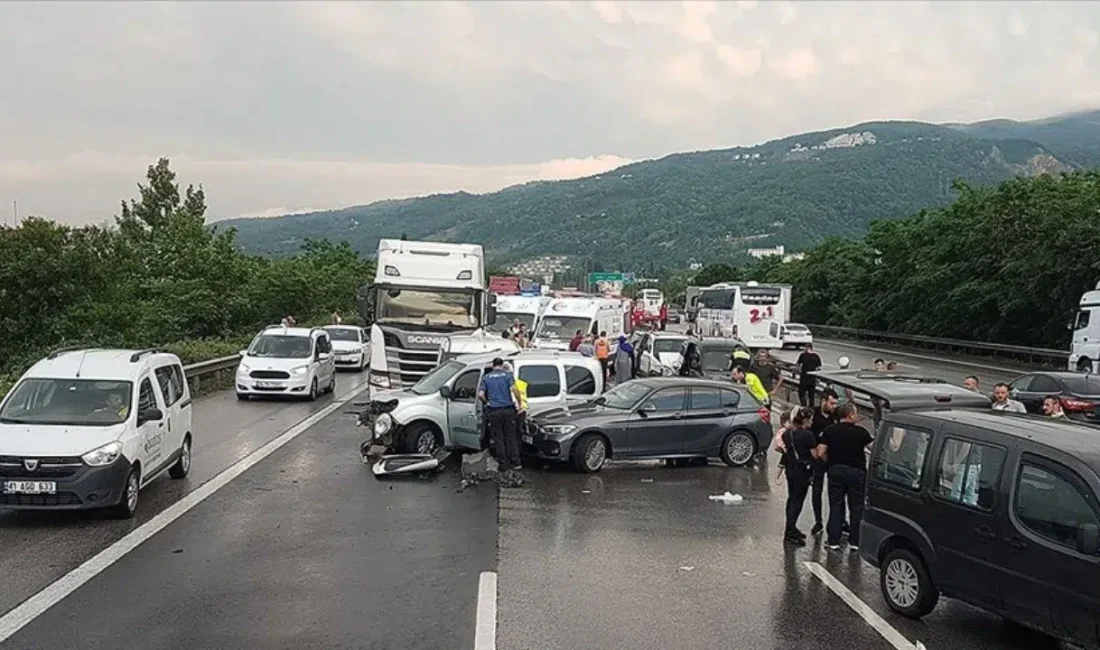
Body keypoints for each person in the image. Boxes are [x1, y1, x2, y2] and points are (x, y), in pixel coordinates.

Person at [817, 403, 874, 551]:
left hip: (836, 471)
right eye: (856, 413)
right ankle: (855, 542)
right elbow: (873, 448)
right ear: (850, 415)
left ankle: (833, 541)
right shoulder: (861, 432)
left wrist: (830, 462)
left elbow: (820, 452)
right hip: (857, 472)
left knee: (836, 505)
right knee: (856, 508)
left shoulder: (829, 431)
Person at [478, 358, 523, 471]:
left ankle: (503, 465)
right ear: (502, 365)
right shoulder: (507, 375)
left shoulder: (487, 377)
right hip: (508, 410)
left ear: (493, 366)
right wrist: (520, 403)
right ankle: (516, 463)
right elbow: (515, 390)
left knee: (498, 439)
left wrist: (487, 402)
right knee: (510, 437)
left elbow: (480, 395)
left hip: (494, 411)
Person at [781, 407, 818, 546]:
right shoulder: (808, 436)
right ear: (806, 420)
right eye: (811, 420)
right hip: (802, 471)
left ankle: (791, 527)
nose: (812, 422)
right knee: (798, 502)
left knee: (791, 499)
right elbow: (815, 454)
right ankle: (789, 532)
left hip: (790, 470)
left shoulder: (787, 434)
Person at [808, 389, 840, 536]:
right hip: (818, 459)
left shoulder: (837, 415)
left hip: (833, 458)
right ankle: (818, 521)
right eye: (831, 403)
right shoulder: (812, 415)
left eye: (835, 404)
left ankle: (839, 521)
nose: (834, 406)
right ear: (823, 401)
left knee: (836, 491)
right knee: (817, 490)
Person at [503, 362, 529, 446]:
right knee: (518, 434)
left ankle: (513, 454)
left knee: (510, 435)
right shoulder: (520, 383)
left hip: (514, 411)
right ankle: (518, 452)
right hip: (522, 411)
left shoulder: (507, 383)